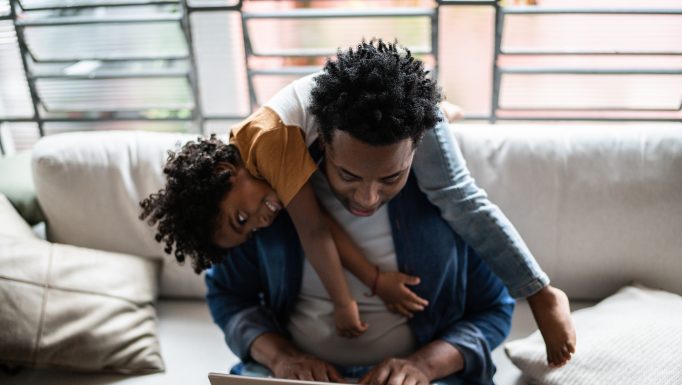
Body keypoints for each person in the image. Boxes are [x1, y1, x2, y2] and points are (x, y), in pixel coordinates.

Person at [141, 39, 574, 367]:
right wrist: (280, 359)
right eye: (348, 176)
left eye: (391, 177)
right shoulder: (266, 196)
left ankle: (543, 293)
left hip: (429, 372)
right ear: (321, 145)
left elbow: (490, 304)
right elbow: (307, 236)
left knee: (451, 178)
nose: (367, 199)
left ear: (416, 150)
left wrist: (424, 367)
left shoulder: (423, 182)